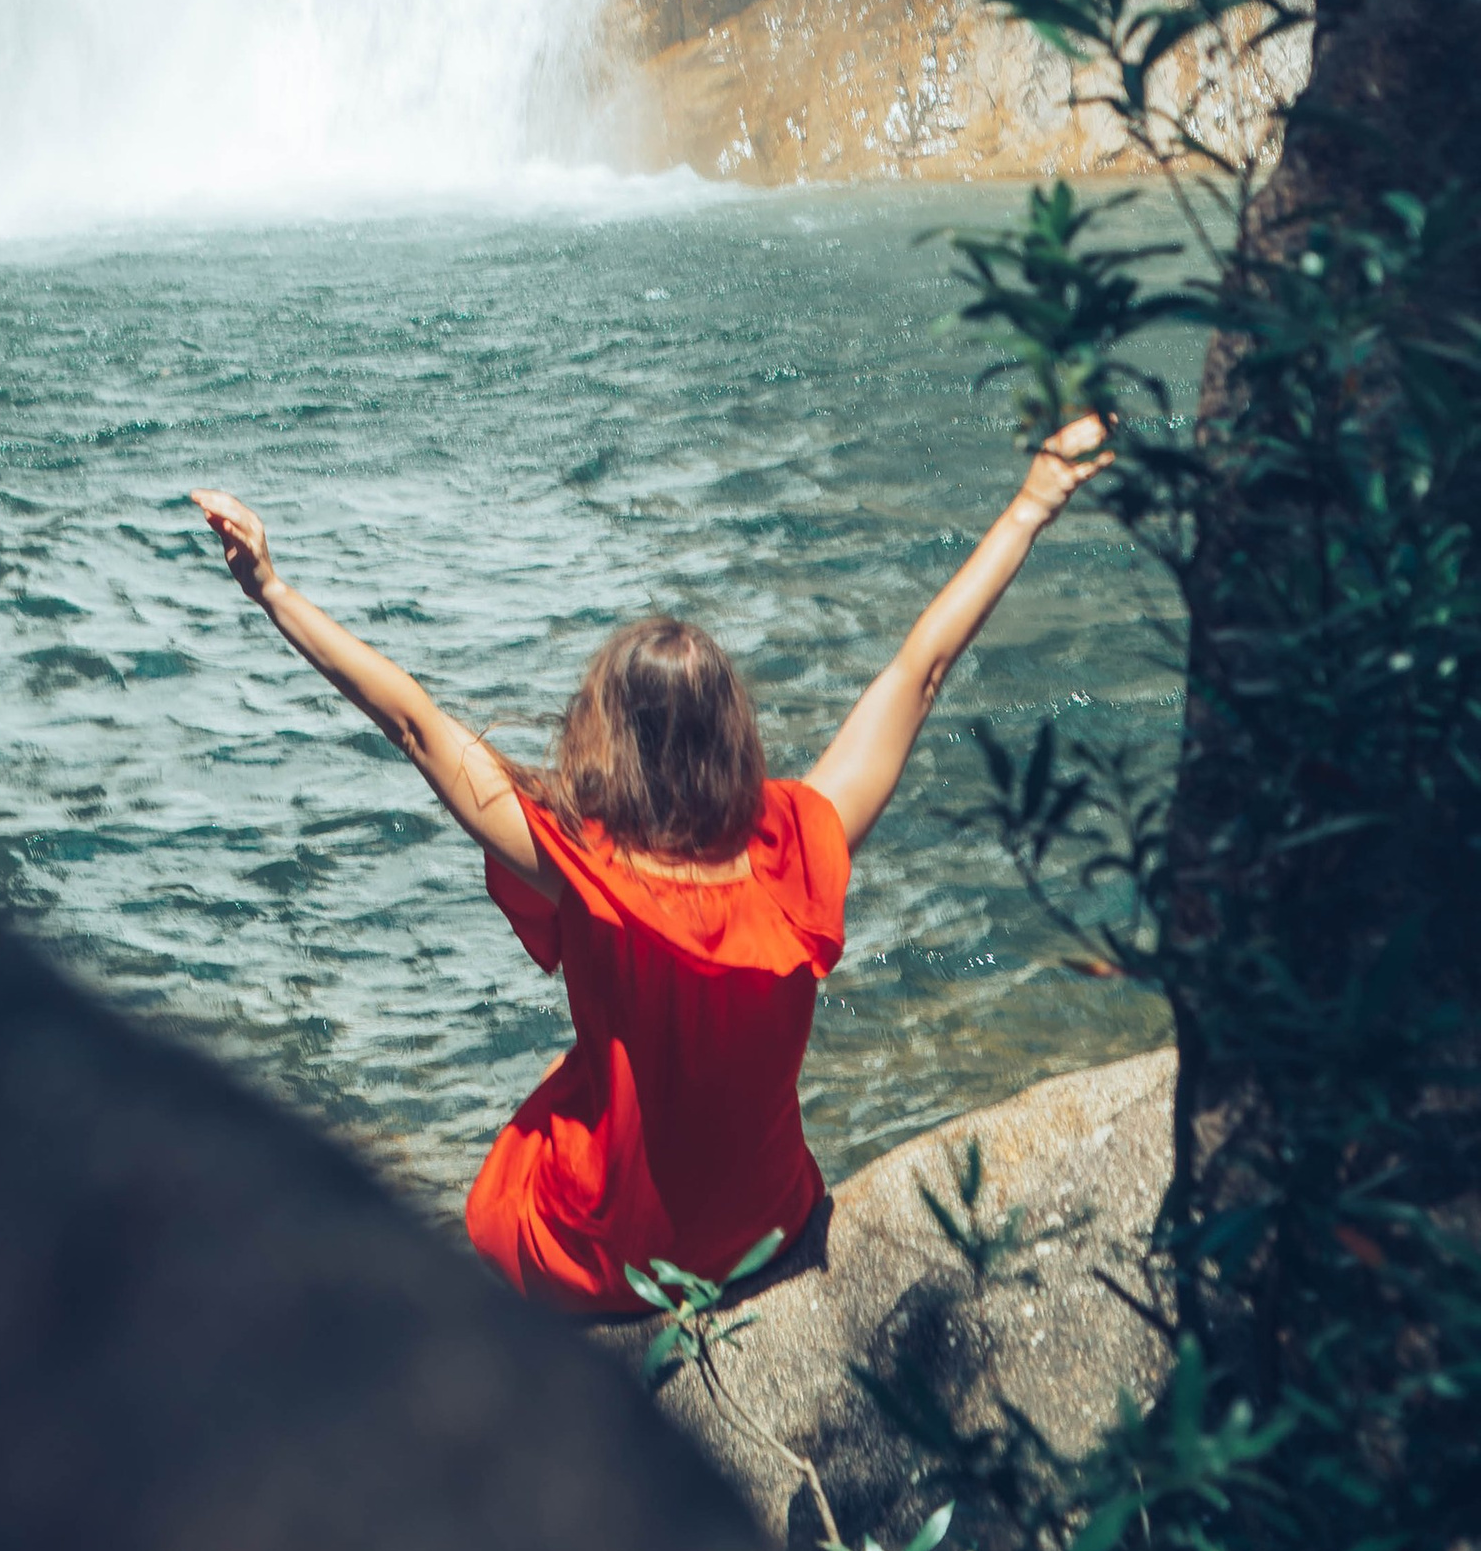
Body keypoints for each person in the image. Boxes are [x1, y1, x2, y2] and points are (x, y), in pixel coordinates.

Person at [190, 415, 1109, 1321]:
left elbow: (413, 721)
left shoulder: (577, 862)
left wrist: (272, 588)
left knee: (514, 1174)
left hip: (611, 1260)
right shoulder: (798, 847)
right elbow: (924, 669)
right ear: (732, 735)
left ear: (606, 731)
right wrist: (1033, 500)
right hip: (765, 1230)